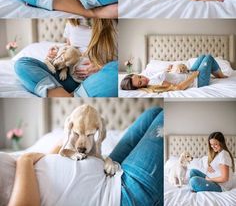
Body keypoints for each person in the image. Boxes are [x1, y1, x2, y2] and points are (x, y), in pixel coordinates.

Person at [1, 107, 164, 206]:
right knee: (165, 116)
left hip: (109, 171)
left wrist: (61, 146)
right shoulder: (25, 160)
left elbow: (45, 166)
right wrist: (25, 159)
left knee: (153, 113)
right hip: (120, 195)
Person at [14, 19, 118, 97]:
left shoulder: (113, 25)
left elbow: (118, 62)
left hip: (94, 80)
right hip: (65, 76)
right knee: (21, 64)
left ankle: (67, 94)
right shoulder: (71, 23)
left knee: (116, 72)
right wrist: (56, 53)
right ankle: (66, 95)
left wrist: (101, 67)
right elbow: (68, 47)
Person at [120, 54, 227, 92]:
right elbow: (178, 88)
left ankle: (214, 73)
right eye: (140, 83)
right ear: (138, 87)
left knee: (203, 56)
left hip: (189, 73)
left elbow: (168, 78)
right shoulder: (153, 84)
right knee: (208, 58)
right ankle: (220, 75)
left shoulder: (150, 79)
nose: (143, 79)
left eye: (139, 76)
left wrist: (169, 71)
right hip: (197, 81)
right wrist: (194, 75)